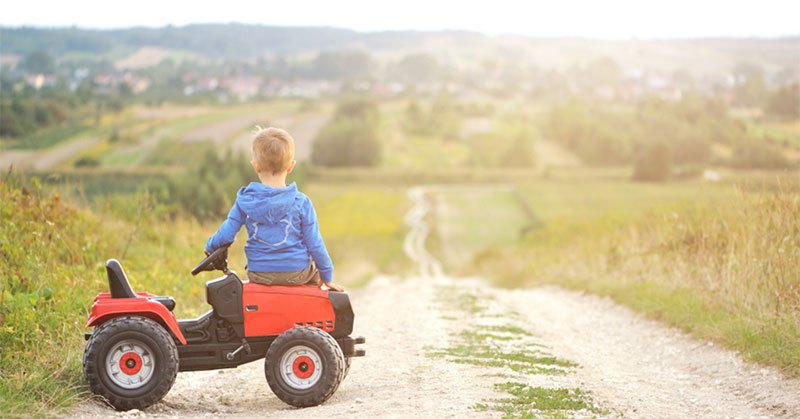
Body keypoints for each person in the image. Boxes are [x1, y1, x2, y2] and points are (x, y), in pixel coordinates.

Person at [204, 126, 344, 291]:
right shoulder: (301, 202)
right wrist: (327, 276)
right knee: (315, 276)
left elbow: (227, 234)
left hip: (259, 274)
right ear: (291, 166)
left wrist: (210, 246)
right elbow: (315, 243)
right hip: (296, 273)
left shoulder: (245, 200)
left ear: (255, 166)